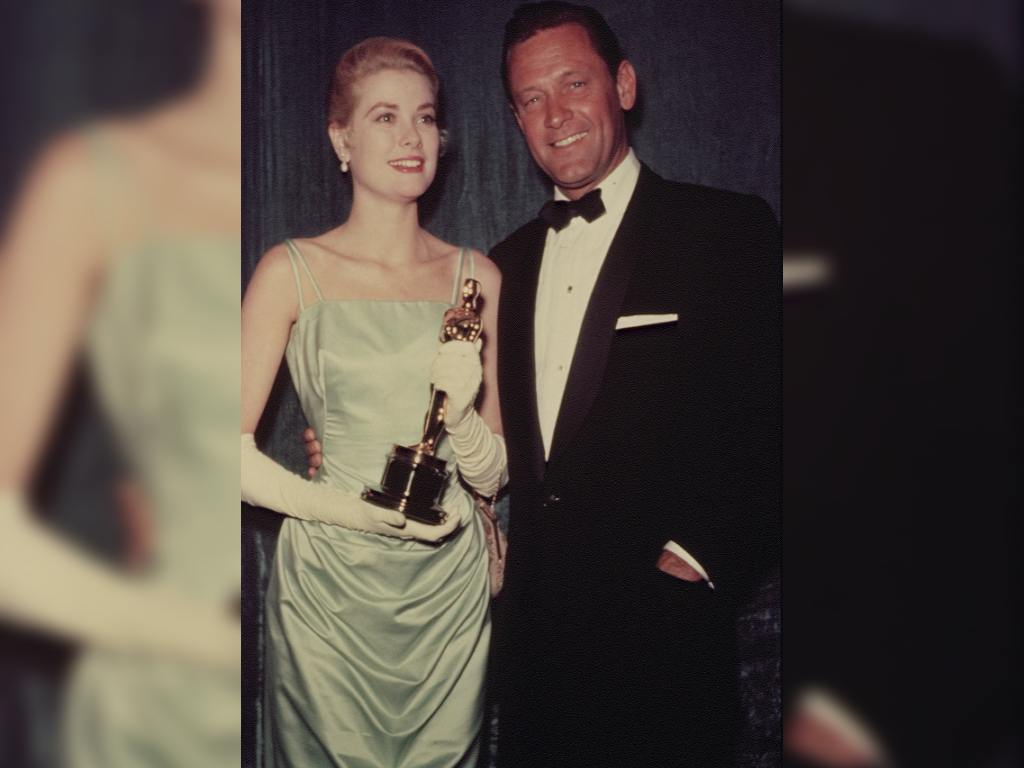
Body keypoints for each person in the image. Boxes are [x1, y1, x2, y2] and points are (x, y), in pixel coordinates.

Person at [490, 3, 778, 766]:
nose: (555, 115)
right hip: (531, 660)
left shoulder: (726, 232)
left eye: (573, 82)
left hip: (665, 652)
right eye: (531, 99)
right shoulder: (500, 266)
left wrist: (698, 561)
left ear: (622, 84)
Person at [240, 37, 505, 768]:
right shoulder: (290, 271)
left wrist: (463, 412)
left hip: (447, 597)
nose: (411, 137)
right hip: (328, 594)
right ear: (341, 138)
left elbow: (493, 474)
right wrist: (355, 512)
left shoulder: (477, 276)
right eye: (384, 117)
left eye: (424, 117)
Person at [0, 0, 242, 765]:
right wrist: (197, 637)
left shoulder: (358, 164)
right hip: (165, 710)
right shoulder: (92, 179)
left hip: (339, 667)